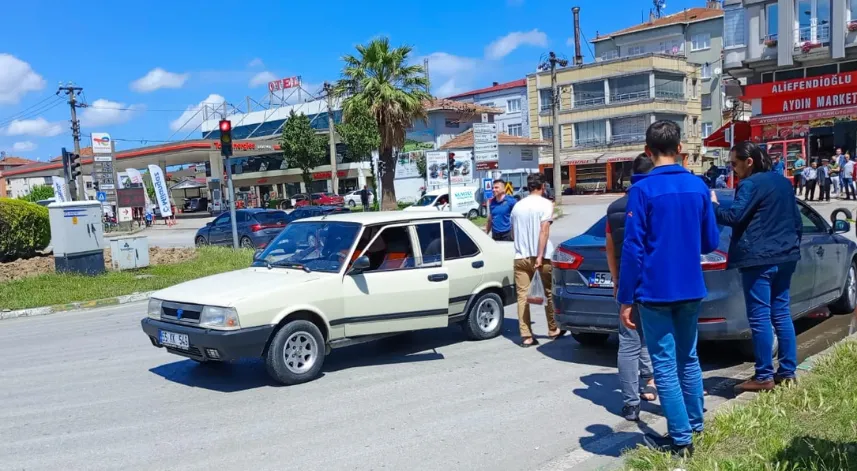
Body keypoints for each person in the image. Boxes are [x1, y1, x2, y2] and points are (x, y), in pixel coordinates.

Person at [618, 120, 719, 456]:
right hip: (691, 285)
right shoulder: (699, 187)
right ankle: (695, 423)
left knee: (664, 365)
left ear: (648, 151)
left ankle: (680, 439)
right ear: (680, 150)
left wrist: (625, 298)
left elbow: (632, 248)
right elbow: (710, 241)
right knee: (688, 358)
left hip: (655, 290)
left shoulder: (642, 190)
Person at [712, 142, 802, 392]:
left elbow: (734, 217)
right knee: (782, 314)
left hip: (758, 259)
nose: (732, 169)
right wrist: (792, 247)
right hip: (785, 256)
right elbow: (796, 221)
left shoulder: (749, 184)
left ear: (748, 161)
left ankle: (763, 376)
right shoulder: (783, 182)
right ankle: (787, 371)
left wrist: (712, 205)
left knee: (760, 317)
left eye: (734, 164)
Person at [606, 153, 656, 422]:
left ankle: (630, 403)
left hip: (626, 281)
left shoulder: (615, 207)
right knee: (650, 337)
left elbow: (611, 246)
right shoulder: (653, 201)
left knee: (628, 342)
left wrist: (616, 280)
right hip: (653, 282)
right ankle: (649, 382)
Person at [511, 173, 563, 347]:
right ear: (542, 187)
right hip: (541, 256)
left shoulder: (517, 206)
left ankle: (526, 335)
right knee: (549, 292)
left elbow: (513, 232)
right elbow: (544, 231)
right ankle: (553, 328)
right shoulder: (546, 204)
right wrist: (540, 256)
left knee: (522, 296)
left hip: (520, 256)